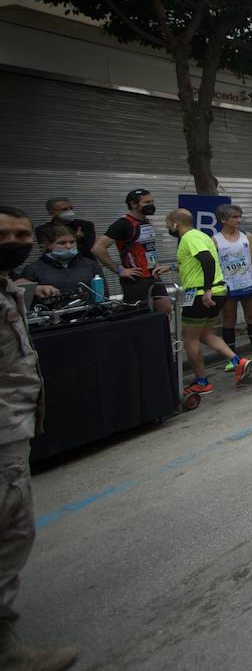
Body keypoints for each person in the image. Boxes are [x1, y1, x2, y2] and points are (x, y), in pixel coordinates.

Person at [0, 206, 79, 671]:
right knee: (10, 536)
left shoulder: (11, 286)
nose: (15, 240)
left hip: (13, 430)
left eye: (21, 233)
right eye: (6, 234)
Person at [167, 208, 251, 396]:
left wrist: (206, 290)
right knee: (205, 334)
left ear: (175, 223)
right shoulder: (199, 236)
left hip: (200, 294)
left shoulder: (190, 237)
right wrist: (172, 266)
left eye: (167, 224)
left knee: (190, 339)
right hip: (214, 291)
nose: (167, 228)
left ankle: (202, 381)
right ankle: (239, 362)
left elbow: (206, 260)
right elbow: (196, 262)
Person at [215, 204, 252, 368]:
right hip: (228, 286)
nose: (238, 220)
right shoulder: (215, 240)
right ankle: (232, 359)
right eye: (234, 217)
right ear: (223, 220)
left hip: (247, 283)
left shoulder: (247, 236)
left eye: (239, 216)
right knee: (229, 320)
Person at [93, 188, 171, 313]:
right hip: (136, 278)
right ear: (133, 204)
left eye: (152, 201)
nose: (151, 205)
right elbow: (98, 248)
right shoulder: (123, 223)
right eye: (146, 202)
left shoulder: (145, 221)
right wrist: (119, 270)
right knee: (138, 314)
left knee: (165, 308)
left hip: (153, 275)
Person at [17, 224, 100, 299]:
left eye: (72, 242)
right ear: (48, 245)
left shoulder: (91, 265)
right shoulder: (33, 269)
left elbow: (103, 295)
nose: (68, 246)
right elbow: (25, 300)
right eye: (62, 243)